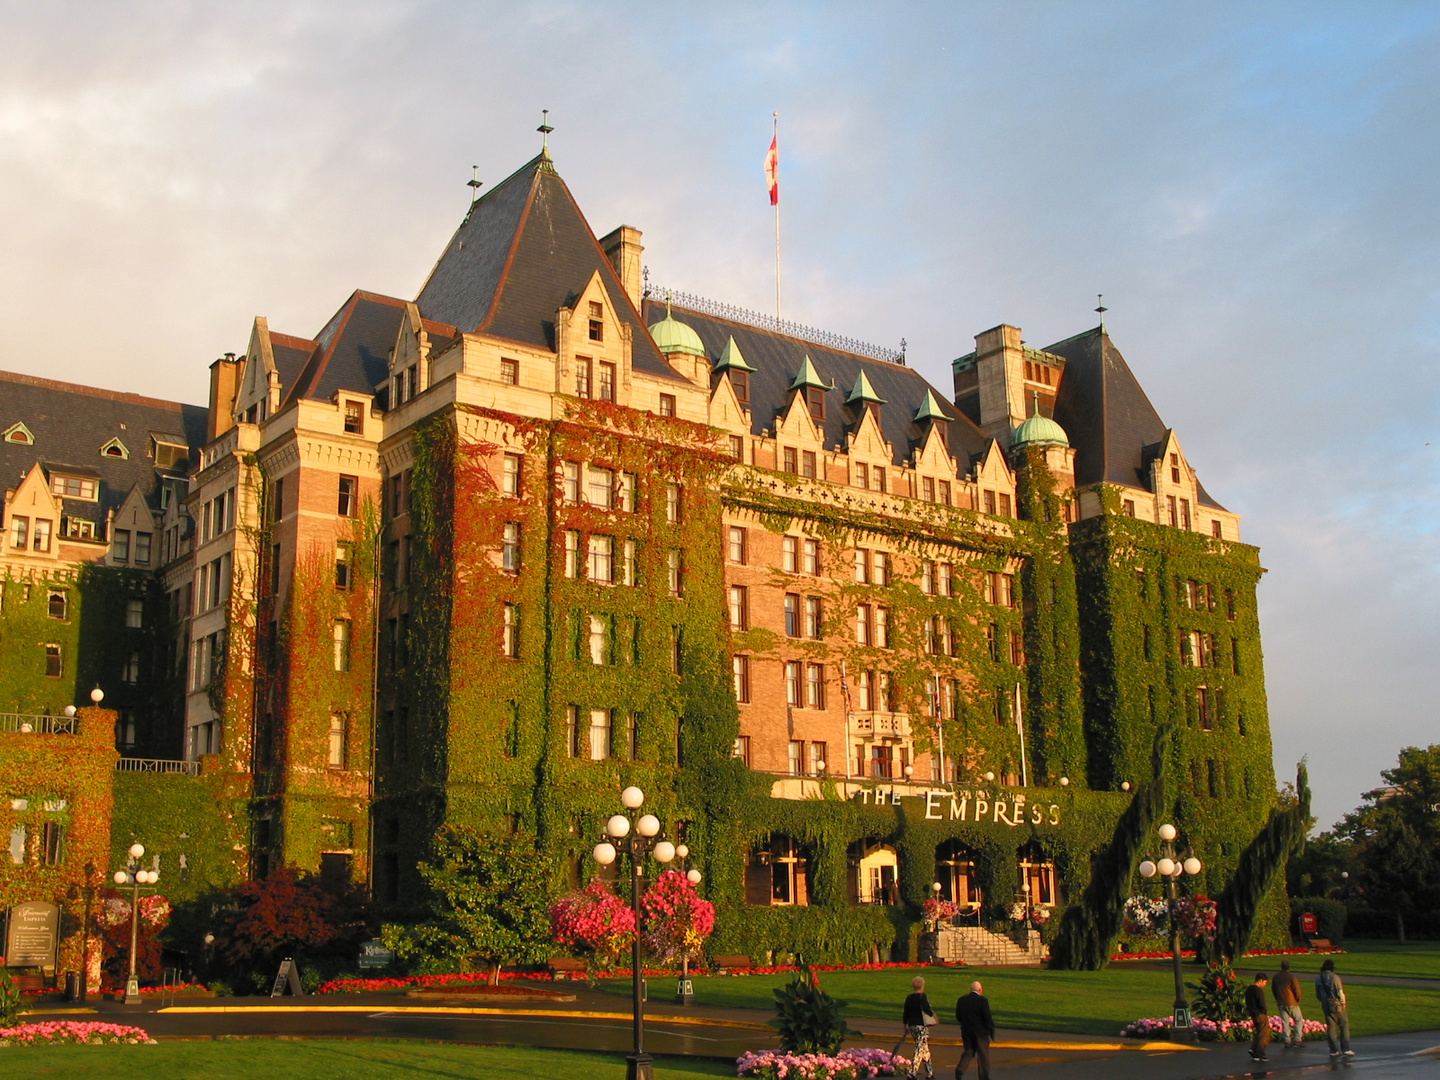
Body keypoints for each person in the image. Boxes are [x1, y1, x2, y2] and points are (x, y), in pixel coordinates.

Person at [954, 980, 995, 1080]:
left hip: (966, 1031)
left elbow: (958, 1016)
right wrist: (991, 1031)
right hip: (980, 1033)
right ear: (980, 990)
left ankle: (960, 1069)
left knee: (969, 1051)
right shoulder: (983, 1001)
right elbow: (987, 1017)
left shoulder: (961, 1000)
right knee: (983, 1055)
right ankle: (984, 1077)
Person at [900, 975, 936, 1080]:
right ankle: (912, 1072)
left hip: (911, 1025)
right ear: (922, 986)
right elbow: (927, 1009)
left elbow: (905, 1013)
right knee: (919, 1048)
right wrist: (934, 1017)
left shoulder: (909, 998)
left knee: (924, 1048)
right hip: (921, 1026)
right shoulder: (922, 997)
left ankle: (930, 1072)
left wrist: (905, 1026)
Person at [1316, 958, 1353, 1058]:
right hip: (1336, 1005)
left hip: (1326, 1005)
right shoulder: (1335, 977)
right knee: (1343, 1025)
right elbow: (1339, 992)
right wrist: (1343, 1003)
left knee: (1331, 1028)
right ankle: (1345, 1048)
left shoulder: (1319, 978)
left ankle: (1333, 1050)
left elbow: (1318, 994)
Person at [1271, 958, 1305, 1048]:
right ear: (1289, 967)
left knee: (1285, 1022)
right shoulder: (1291, 977)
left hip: (1281, 1002)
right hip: (1291, 1002)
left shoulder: (1276, 977)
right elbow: (1296, 990)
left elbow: (1273, 989)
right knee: (1298, 1019)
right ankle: (1297, 1039)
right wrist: (1297, 999)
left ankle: (1287, 1040)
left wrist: (1277, 998)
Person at [1245, 972, 1271, 1062]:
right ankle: (1260, 1053)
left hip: (1253, 1013)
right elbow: (1262, 1003)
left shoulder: (1249, 989)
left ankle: (1253, 1049)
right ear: (1260, 980)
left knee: (1259, 1032)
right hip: (1260, 1014)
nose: (1265, 984)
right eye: (1264, 982)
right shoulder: (1258, 990)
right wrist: (1264, 1012)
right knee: (1263, 1034)